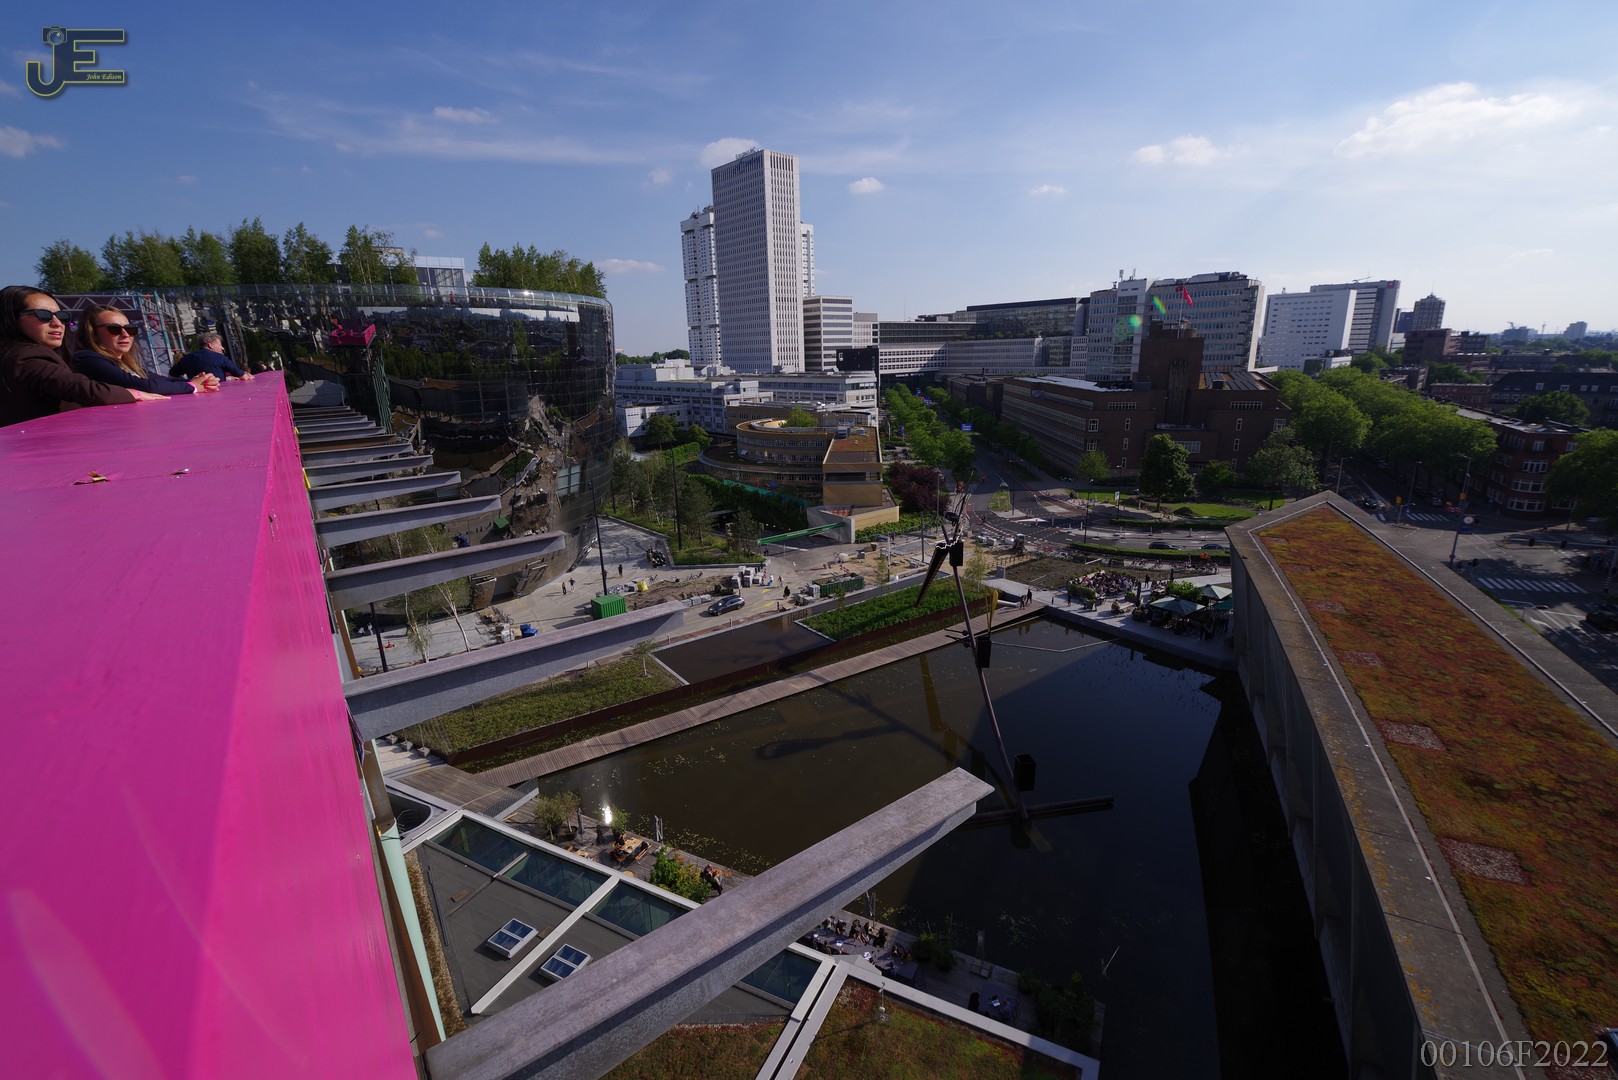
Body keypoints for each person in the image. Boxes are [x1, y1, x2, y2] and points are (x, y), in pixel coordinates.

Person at [1, 285, 165, 427]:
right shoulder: (28, 357)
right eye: (43, 315)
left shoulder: (16, 355)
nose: (57, 323)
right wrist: (135, 394)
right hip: (43, 447)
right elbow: (84, 389)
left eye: (62, 316)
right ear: (12, 318)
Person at [72, 305, 219, 397]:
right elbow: (145, 386)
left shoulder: (123, 364)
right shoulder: (87, 359)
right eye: (114, 329)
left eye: (130, 329)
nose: (125, 334)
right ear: (92, 333)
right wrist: (192, 386)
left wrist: (198, 381)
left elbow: (158, 379)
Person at [170, 330, 253, 381]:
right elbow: (243, 376)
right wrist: (247, 375)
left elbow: (171, 375)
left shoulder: (187, 358)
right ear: (210, 345)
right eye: (220, 345)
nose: (222, 348)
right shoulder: (220, 358)